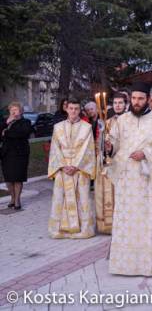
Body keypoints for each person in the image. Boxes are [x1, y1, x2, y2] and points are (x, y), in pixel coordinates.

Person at [105, 82, 152, 276]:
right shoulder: (121, 120)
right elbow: (115, 144)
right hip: (126, 180)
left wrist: (146, 153)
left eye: (140, 99)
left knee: (148, 220)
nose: (136, 102)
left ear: (148, 99)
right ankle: (123, 264)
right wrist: (109, 147)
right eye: (133, 99)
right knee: (126, 221)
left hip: (147, 179)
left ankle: (150, 263)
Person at [47, 98, 96, 238]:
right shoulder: (58, 127)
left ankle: (84, 229)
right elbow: (55, 148)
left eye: (76, 109)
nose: (73, 111)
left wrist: (76, 165)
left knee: (82, 198)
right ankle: (60, 230)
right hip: (63, 168)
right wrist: (62, 165)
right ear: (66, 109)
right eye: (71, 108)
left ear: (79, 110)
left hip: (79, 169)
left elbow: (88, 149)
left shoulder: (87, 127)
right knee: (60, 198)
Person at [96, 92, 126, 234]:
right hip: (112, 162)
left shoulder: (129, 121)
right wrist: (104, 145)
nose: (118, 105)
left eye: (120, 103)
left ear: (126, 105)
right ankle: (110, 224)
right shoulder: (107, 122)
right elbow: (101, 143)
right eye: (115, 103)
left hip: (125, 163)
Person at [1, 102, 33, 210]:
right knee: (9, 179)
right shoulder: (5, 122)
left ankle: (17, 200)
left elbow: (22, 133)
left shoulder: (26, 122)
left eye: (16, 109)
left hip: (20, 154)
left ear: (21, 111)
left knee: (18, 178)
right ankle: (12, 198)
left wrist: (6, 133)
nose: (14, 111)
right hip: (7, 153)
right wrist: (6, 124)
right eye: (12, 110)